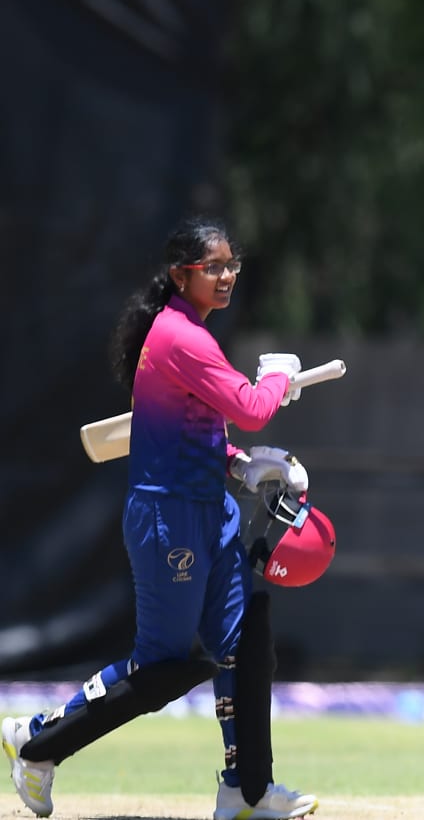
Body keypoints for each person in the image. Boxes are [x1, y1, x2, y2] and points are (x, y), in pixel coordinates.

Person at [2, 219, 318, 820]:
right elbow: (251, 408)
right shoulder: (179, 338)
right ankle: (37, 742)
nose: (226, 277)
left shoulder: (193, 334)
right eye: (213, 268)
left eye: (232, 266)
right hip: (167, 517)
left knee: (243, 643)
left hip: (211, 510)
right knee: (164, 666)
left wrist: (243, 465)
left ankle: (245, 791)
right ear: (181, 275)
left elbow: (197, 425)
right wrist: (277, 377)